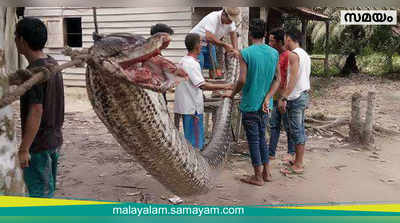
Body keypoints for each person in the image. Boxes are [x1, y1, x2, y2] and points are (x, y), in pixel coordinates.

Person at [225, 19, 281, 186]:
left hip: (250, 104)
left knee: (254, 140)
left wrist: (232, 92)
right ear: (264, 34)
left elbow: (241, 80)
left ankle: (257, 176)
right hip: (266, 105)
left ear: (250, 34)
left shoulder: (246, 53)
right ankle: (267, 172)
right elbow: (277, 79)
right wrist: (268, 97)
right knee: (262, 138)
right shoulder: (274, 53)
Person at [15, 17, 65, 197]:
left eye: (15, 36)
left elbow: (36, 111)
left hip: (39, 145)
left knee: (40, 195)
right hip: (54, 140)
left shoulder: (35, 73)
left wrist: (24, 149)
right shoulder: (52, 63)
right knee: (46, 191)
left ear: (21, 40)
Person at [174, 33, 232, 150]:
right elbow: (203, 86)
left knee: (191, 139)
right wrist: (225, 86)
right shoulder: (192, 64)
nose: (202, 45)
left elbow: (199, 81)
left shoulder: (184, 61)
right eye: (201, 42)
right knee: (195, 144)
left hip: (186, 106)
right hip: (192, 108)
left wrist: (219, 87)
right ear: (196, 46)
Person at [278, 28, 311, 175]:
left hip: (296, 97)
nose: (284, 41)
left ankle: (298, 164)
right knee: (298, 129)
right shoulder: (304, 54)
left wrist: (284, 97)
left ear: (289, 39)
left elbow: (293, 79)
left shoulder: (293, 55)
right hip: (302, 94)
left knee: (297, 130)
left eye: (285, 38)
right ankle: (297, 160)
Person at [267, 28, 295, 161]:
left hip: (284, 96)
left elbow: (290, 78)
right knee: (274, 125)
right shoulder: (274, 55)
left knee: (288, 125)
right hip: (274, 94)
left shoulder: (289, 56)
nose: (269, 43)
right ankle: (271, 152)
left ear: (279, 42)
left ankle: (291, 151)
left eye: (272, 41)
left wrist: (284, 97)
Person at [190, 7, 240, 77]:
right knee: (199, 64)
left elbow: (233, 34)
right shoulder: (213, 18)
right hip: (195, 41)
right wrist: (225, 45)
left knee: (213, 65)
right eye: (229, 20)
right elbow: (209, 37)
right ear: (223, 14)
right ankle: (199, 85)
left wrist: (235, 49)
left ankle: (212, 83)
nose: (230, 22)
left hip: (209, 42)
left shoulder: (230, 22)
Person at [150, 23, 175, 106]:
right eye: (168, 37)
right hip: (154, 96)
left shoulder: (156, 52)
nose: (170, 40)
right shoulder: (150, 54)